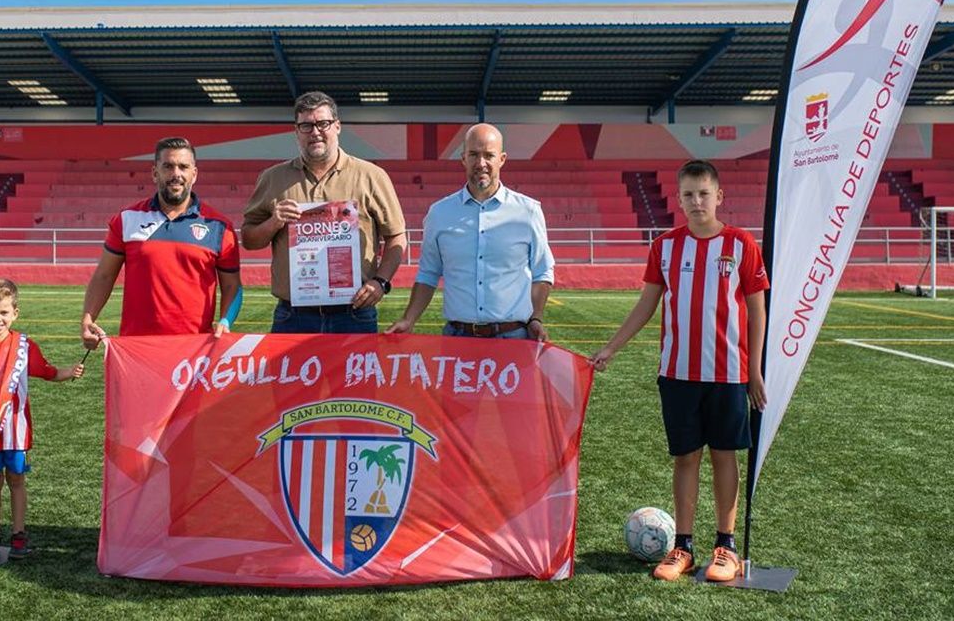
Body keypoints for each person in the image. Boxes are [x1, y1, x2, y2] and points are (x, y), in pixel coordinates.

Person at [591, 159, 769, 583]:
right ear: (679, 199)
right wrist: (613, 347)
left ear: (719, 196)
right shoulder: (665, 246)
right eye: (688, 194)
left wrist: (756, 371)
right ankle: (683, 547)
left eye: (704, 193)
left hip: (728, 373)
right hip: (677, 374)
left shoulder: (742, 244)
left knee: (725, 456)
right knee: (685, 457)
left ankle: (725, 547)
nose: (696, 201)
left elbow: (758, 309)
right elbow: (646, 305)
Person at [241, 91, 406, 333]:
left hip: (353, 313)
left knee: (353, 374)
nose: (315, 132)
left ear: (337, 126)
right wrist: (274, 222)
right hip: (293, 316)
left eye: (323, 123)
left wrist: (381, 282)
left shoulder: (371, 176)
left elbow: (396, 237)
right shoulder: (272, 178)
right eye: (306, 125)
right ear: (296, 131)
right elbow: (248, 240)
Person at [385, 123, 554, 340]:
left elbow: (542, 271)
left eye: (489, 155)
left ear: (502, 159)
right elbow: (428, 272)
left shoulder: (528, 211)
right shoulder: (439, 213)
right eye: (474, 154)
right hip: (457, 338)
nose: (481, 163)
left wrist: (536, 318)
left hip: (513, 338)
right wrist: (409, 319)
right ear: (463, 158)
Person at [82, 137, 242, 348]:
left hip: (195, 348)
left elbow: (233, 286)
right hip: (137, 346)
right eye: (168, 166)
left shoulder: (220, 226)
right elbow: (104, 276)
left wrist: (225, 321)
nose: (176, 174)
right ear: (155, 173)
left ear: (194, 174)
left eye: (183, 167)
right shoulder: (127, 219)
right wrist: (88, 318)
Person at [0, 278, 83, 560]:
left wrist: (69, 371)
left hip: (16, 432)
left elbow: (47, 372)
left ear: (15, 313)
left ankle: (19, 533)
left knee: (16, 478)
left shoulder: (24, 346)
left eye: (4, 313)